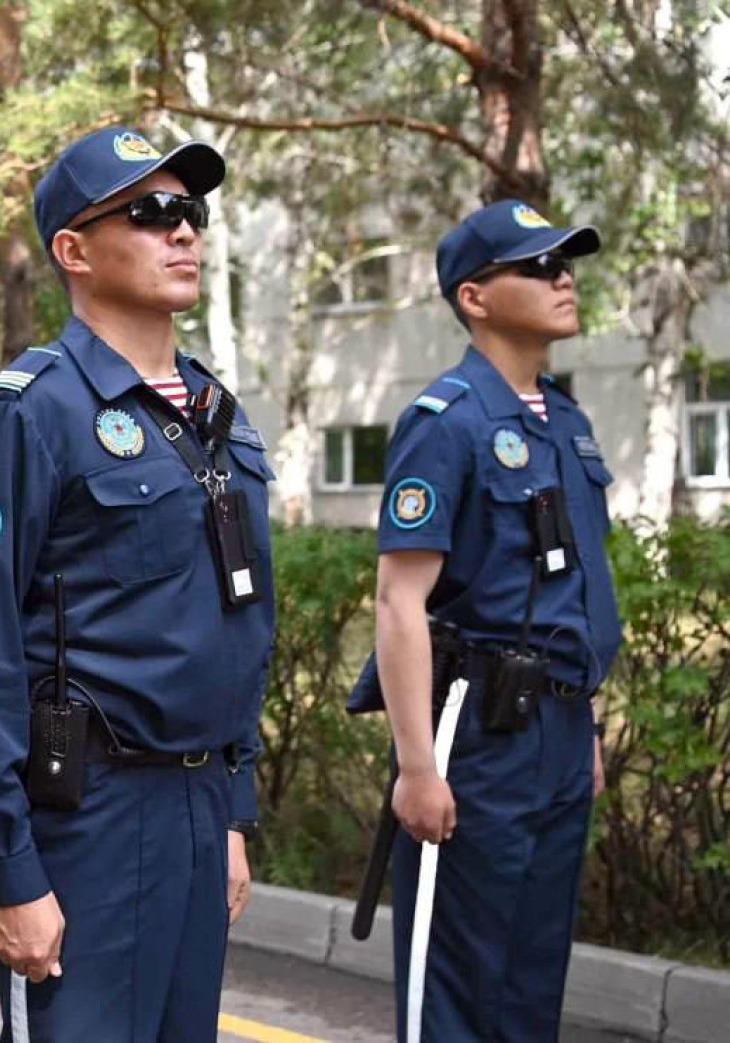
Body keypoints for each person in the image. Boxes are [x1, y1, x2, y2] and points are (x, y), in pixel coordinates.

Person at [0, 126, 276, 1042]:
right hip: (88, 820)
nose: (183, 230)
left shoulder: (218, 418)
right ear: (74, 252)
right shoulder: (32, 412)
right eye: (150, 211)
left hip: (199, 810)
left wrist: (232, 809)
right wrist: (8, 870)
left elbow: (241, 624)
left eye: (190, 211)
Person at [365, 199, 620, 1040]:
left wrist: (582, 721)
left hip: (557, 729)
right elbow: (400, 600)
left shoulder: (567, 423)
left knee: (530, 977)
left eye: (565, 263)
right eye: (539, 266)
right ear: (474, 296)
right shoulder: (448, 422)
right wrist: (416, 766)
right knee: (459, 980)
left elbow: (568, 590)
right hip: (476, 730)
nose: (563, 278)